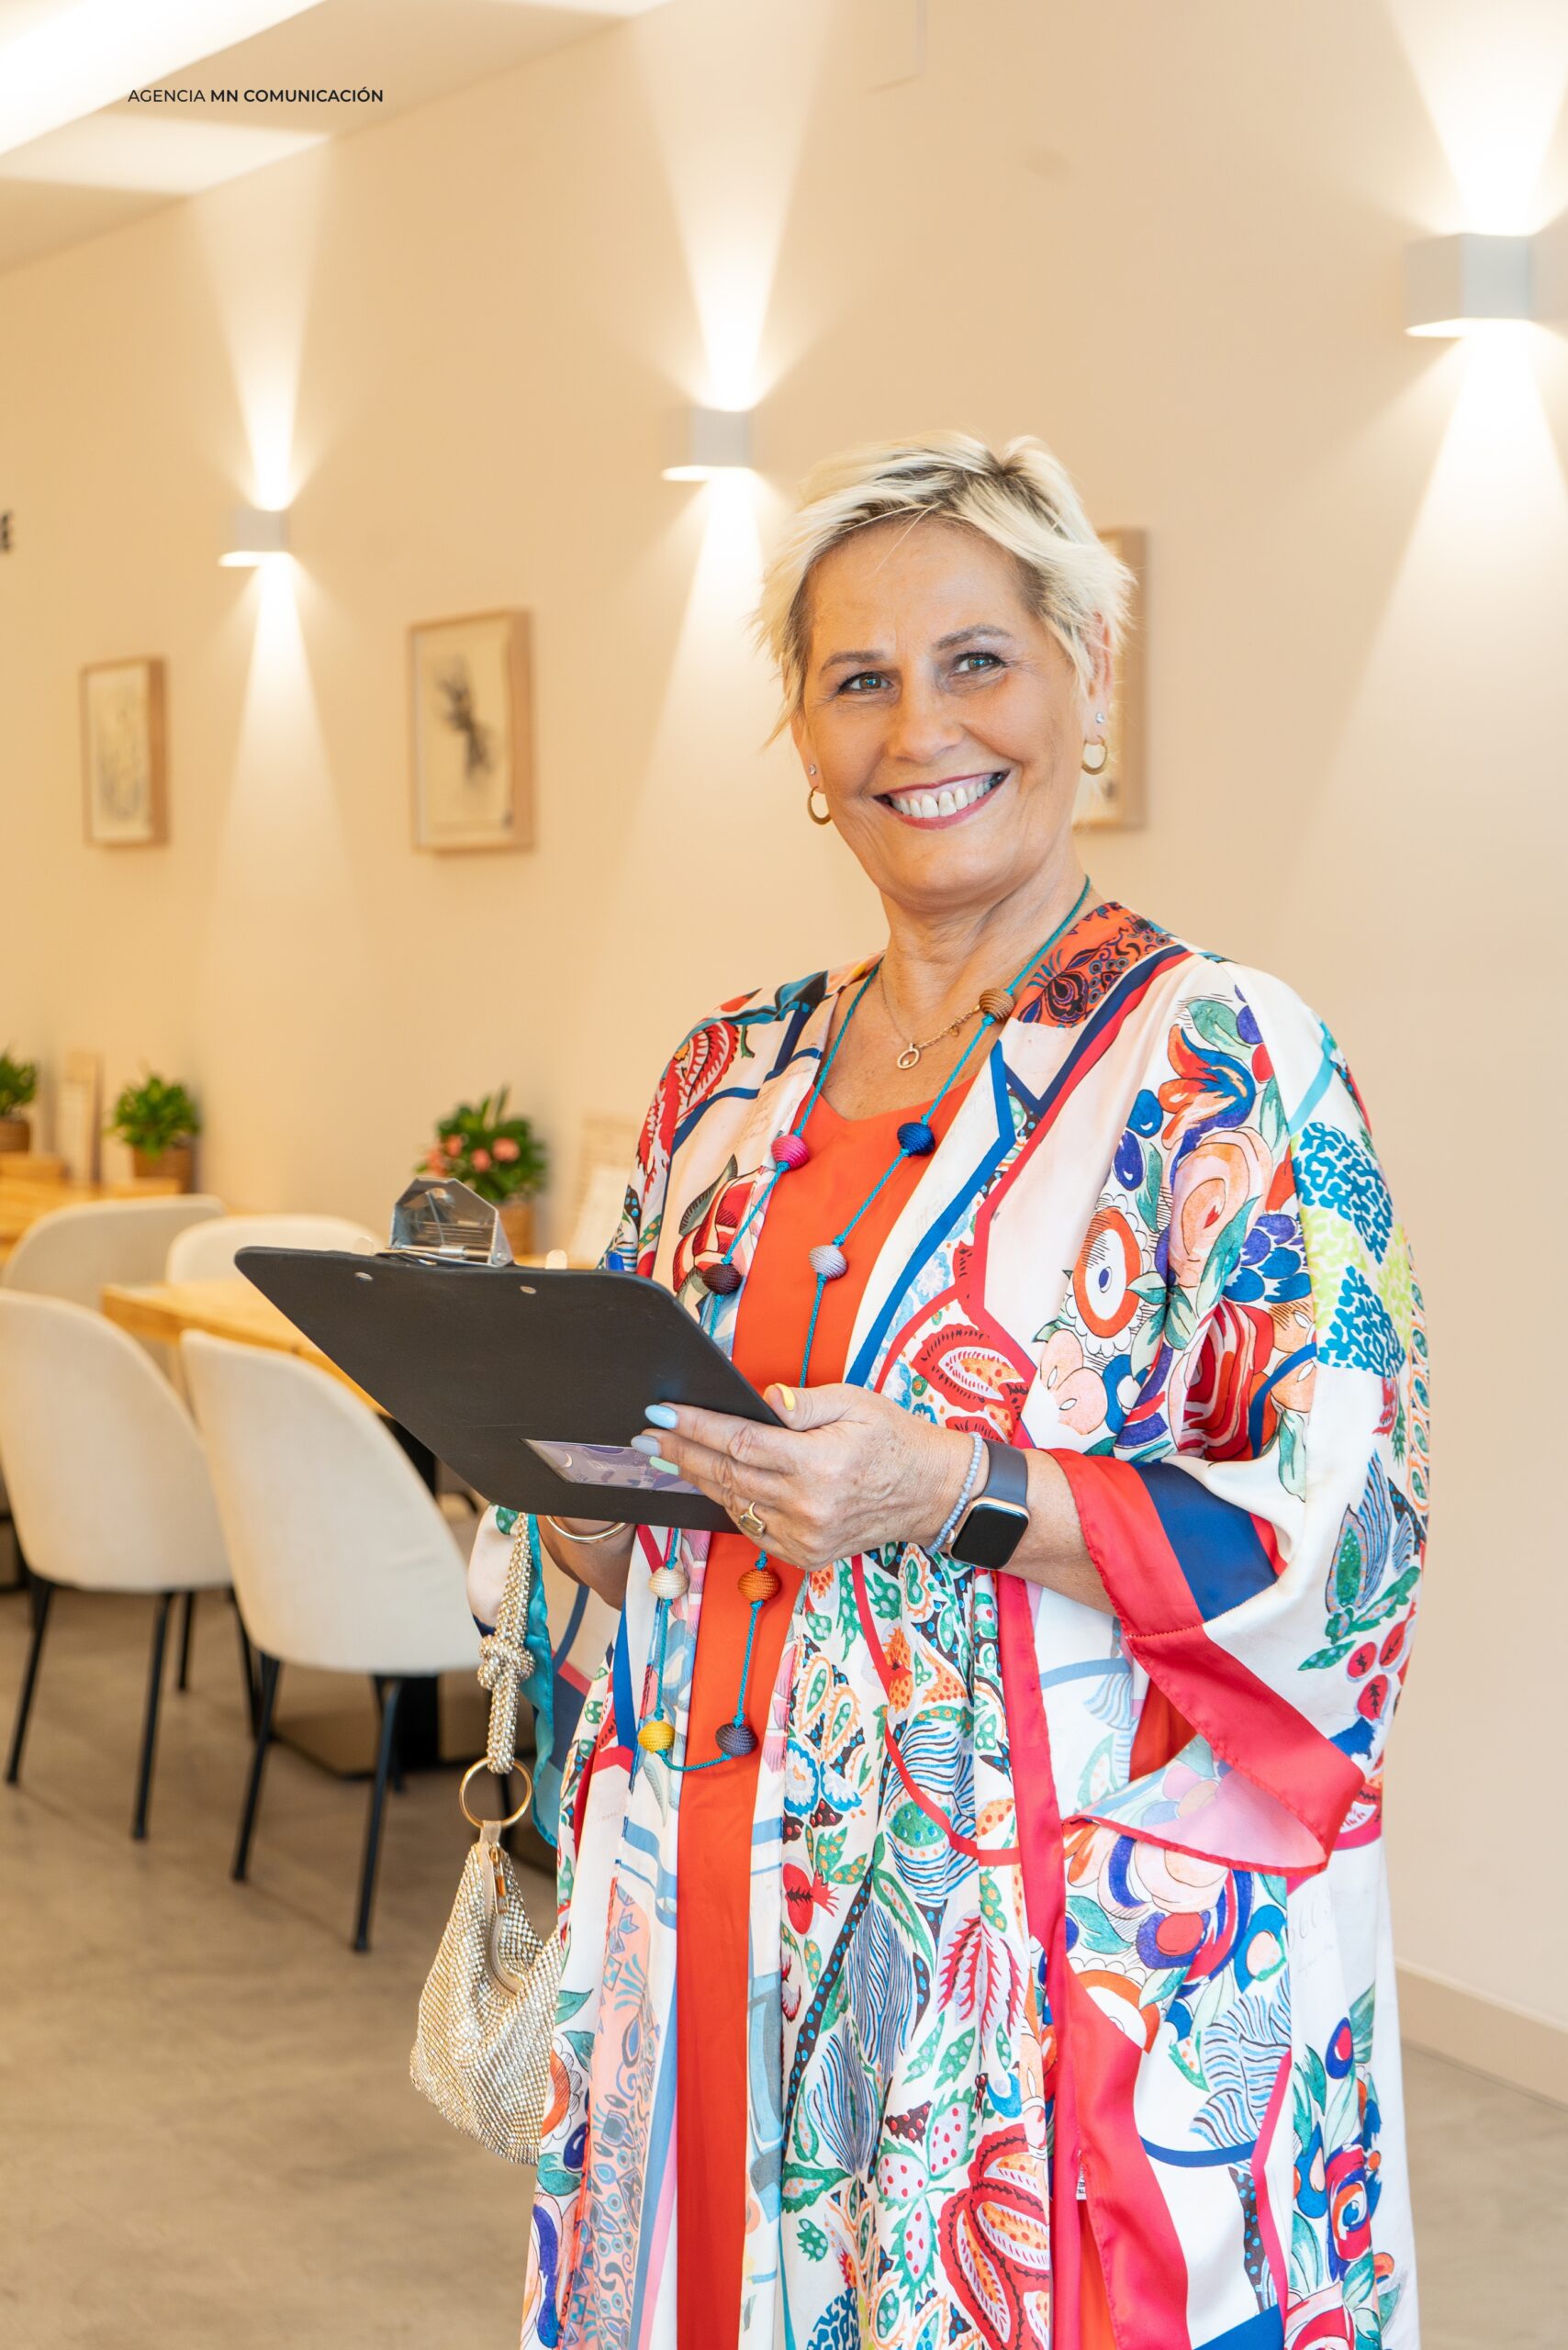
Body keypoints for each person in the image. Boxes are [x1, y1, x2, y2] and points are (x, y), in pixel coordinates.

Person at [468, 433, 1425, 2350]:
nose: (921, 728)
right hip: (703, 1909)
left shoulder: (1222, 1063)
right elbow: (617, 1502)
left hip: (1034, 1955)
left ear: (1087, 677)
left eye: (977, 659)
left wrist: (959, 1486)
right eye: (859, 680)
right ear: (808, 746)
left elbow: (1347, 1534)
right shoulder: (722, 1079)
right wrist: (551, 1484)